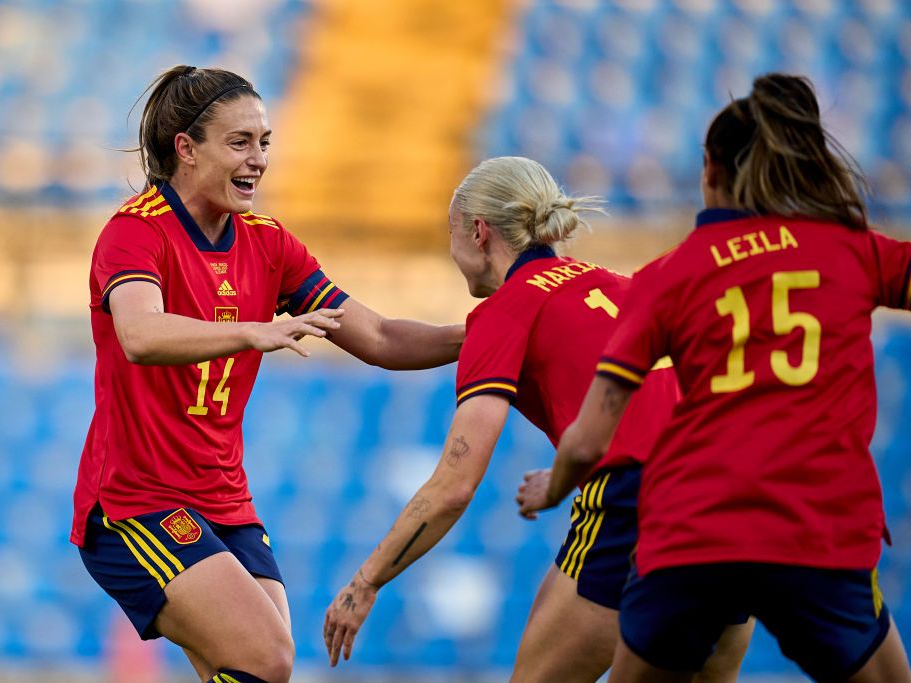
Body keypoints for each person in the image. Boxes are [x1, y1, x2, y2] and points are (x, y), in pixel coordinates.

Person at [70, 65, 464, 683]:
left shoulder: (269, 243)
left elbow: (381, 337)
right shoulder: (135, 231)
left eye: (265, 143)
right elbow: (140, 335)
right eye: (239, 143)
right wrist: (254, 331)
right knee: (268, 658)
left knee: (253, 672)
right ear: (186, 148)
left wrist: (482, 336)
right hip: (136, 503)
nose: (258, 159)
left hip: (224, 499)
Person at [518, 73, 911, 683]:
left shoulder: (669, 275)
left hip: (693, 535)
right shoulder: (852, 249)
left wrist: (551, 488)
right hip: (819, 527)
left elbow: (592, 439)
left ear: (710, 168)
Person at [322, 156, 753, 681]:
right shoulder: (616, 284)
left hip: (642, 503)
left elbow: (455, 486)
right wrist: (565, 475)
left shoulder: (504, 313)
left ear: (478, 232)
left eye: (451, 231)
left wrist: (365, 581)